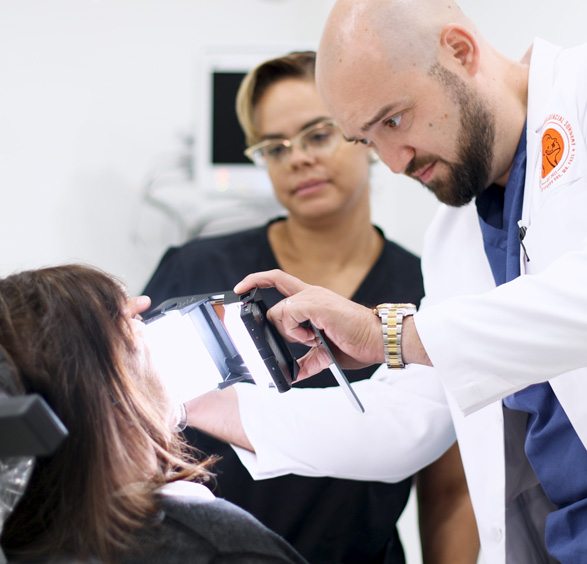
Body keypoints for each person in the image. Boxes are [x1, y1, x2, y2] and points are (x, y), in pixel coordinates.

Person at [208, 0, 587, 562]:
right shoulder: (454, 235)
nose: (393, 160)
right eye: (366, 139)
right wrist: (205, 407)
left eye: (394, 119)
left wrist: (390, 333)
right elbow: (412, 416)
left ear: (459, 51)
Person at [144, 51, 478, 563]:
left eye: (318, 135)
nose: (298, 158)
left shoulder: (422, 289)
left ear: (363, 137)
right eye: (275, 148)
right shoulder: (200, 268)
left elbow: (450, 488)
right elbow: (140, 430)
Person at [0, 264, 307, 563]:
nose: (143, 313)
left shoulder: (29, 543)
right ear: (97, 388)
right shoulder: (212, 545)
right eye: (128, 324)